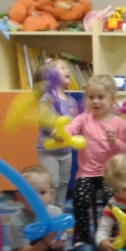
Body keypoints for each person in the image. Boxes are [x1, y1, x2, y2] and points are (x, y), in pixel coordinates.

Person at [0, 167, 94, 251]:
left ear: (51, 194)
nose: (36, 198)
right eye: (30, 193)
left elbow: (61, 242)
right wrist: (44, 243)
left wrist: (59, 244)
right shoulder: (18, 221)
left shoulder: (55, 213)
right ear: (19, 197)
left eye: (42, 192)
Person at [59, 75, 126, 244]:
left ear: (112, 99)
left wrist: (115, 142)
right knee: (80, 198)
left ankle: (109, 235)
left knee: (111, 199)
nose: (96, 101)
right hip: (87, 173)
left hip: (111, 173)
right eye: (91, 97)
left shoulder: (120, 124)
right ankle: (83, 237)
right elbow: (70, 128)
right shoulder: (83, 119)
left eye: (101, 97)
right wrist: (62, 134)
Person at [35, 59, 79, 209]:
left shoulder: (71, 101)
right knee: (53, 182)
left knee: (64, 181)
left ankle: (59, 210)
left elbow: (75, 123)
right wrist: (54, 130)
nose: (68, 70)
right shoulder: (47, 98)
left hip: (66, 150)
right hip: (48, 151)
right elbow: (43, 119)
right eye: (62, 68)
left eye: (67, 68)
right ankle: (50, 210)